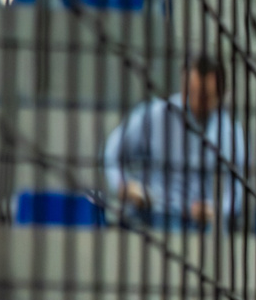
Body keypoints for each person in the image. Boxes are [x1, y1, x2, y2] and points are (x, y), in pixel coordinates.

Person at [102, 55, 246, 230]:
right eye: (190, 92)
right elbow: (112, 152)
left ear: (220, 95)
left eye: (204, 96)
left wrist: (215, 209)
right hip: (154, 215)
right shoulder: (156, 114)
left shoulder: (230, 132)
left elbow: (237, 190)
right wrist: (123, 185)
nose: (195, 101)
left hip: (201, 224)